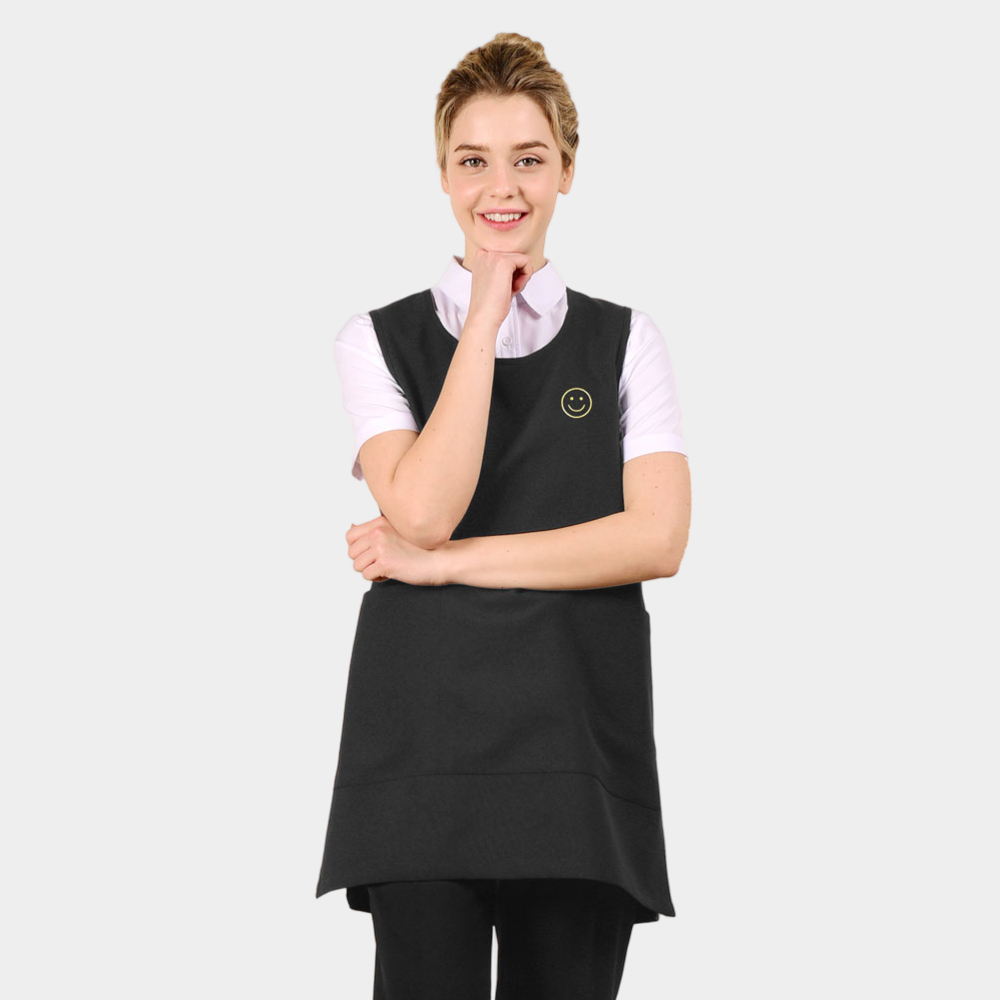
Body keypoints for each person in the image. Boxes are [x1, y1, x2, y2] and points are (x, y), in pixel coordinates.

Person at [316, 32, 691, 1000]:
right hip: (419, 748)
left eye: (528, 158)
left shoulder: (626, 341)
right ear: (443, 175)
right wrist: (484, 315)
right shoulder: (376, 340)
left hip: (575, 749)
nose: (501, 187)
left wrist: (443, 564)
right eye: (472, 160)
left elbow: (657, 538)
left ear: (567, 168)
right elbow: (421, 509)